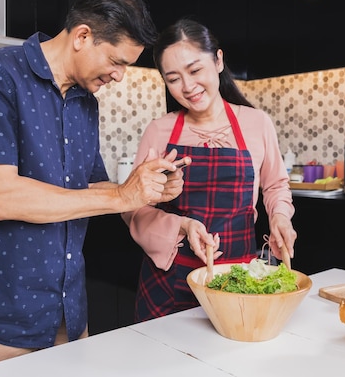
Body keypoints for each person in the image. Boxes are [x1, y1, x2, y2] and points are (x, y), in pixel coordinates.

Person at [0, 0, 190, 376]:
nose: (121, 77)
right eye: (117, 61)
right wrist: (122, 196)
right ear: (82, 36)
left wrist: (147, 190)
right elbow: (1, 198)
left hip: (66, 316)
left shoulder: (86, 101)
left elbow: (94, 187)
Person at [121, 18, 297, 322]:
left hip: (239, 277)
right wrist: (182, 226)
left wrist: (280, 217)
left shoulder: (257, 123)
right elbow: (133, 208)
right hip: (170, 279)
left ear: (218, 60)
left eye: (194, 70)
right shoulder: (159, 131)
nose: (187, 87)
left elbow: (275, 185)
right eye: (173, 78)